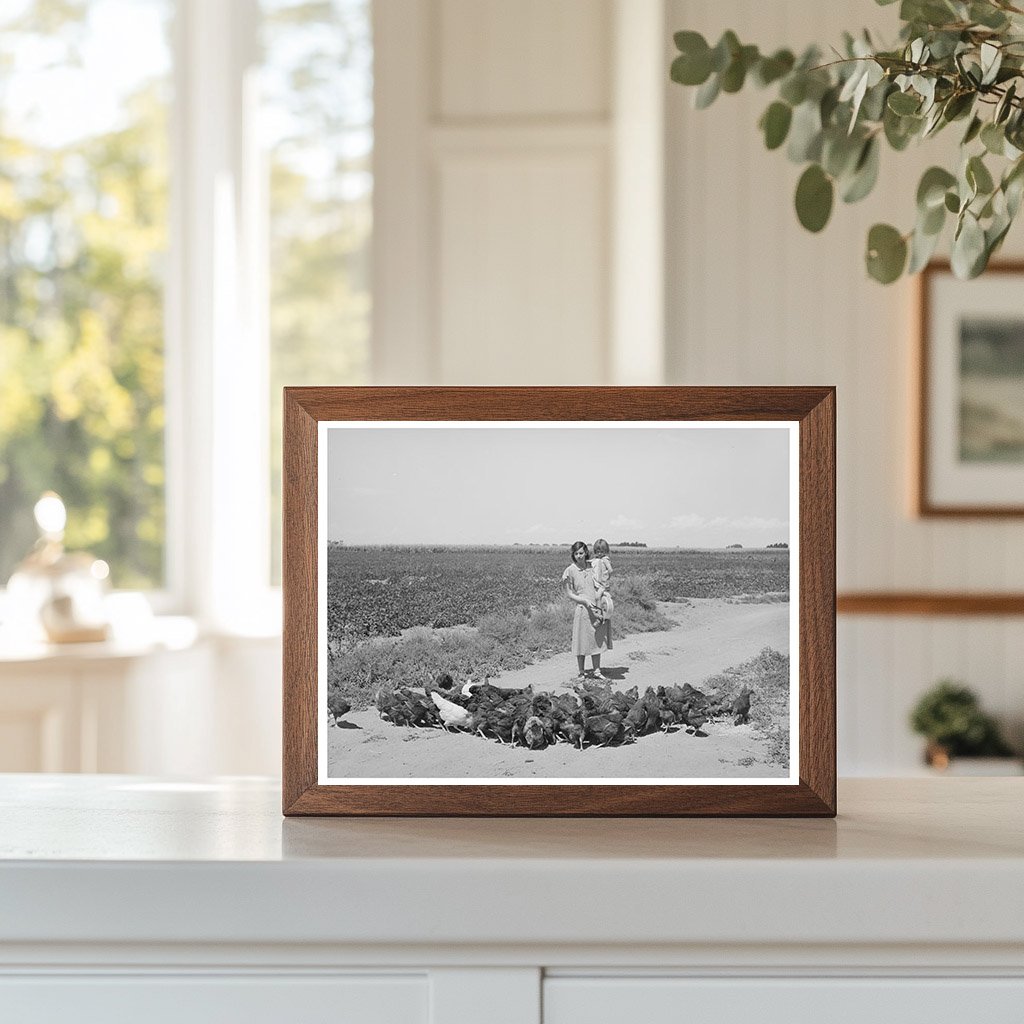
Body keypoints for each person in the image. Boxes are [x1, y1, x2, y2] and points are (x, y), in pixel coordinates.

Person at [561, 540, 612, 680]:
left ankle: (597, 671)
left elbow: (605, 578)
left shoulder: (593, 566)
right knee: (581, 641)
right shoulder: (570, 570)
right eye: (576, 553)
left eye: (581, 553)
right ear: (573, 554)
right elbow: (569, 593)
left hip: (596, 607)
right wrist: (583, 600)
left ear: (586, 553)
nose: (579, 556)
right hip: (582, 608)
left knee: (597, 638)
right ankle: (582, 672)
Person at [590, 538, 614, 622]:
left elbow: (610, 570)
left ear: (606, 551)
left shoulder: (605, 559)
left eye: (602, 552)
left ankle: (599, 617)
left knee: (597, 597)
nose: (599, 554)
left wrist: (606, 577)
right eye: (597, 552)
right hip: (596, 584)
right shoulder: (596, 559)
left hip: (602, 584)